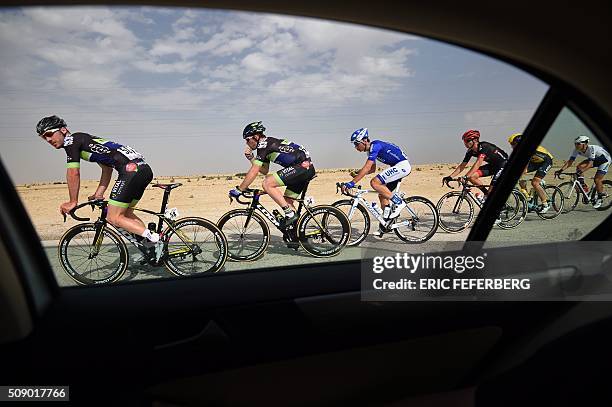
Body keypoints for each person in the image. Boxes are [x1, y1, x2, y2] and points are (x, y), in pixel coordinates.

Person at [36, 115, 161, 260]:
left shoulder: (71, 142)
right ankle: (152, 250)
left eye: (50, 134)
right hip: (143, 169)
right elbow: (107, 169)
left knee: (113, 217)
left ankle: (156, 239)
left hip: (130, 171)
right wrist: (98, 193)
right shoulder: (85, 140)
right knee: (125, 215)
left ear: (63, 130)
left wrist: (72, 201)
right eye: (44, 138)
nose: (49, 140)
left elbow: (73, 172)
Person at [230, 121, 315, 226]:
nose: (247, 143)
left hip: (301, 167)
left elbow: (254, 170)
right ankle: (297, 234)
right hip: (303, 169)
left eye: (248, 139)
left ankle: (290, 214)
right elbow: (264, 170)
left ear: (256, 136)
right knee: (287, 202)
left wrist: (239, 189)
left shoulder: (264, 145)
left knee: (267, 183)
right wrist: (251, 158)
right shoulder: (265, 146)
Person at [342, 127, 411, 237]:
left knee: (374, 183)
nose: (355, 147)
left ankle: (399, 202)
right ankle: (386, 224)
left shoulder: (375, 146)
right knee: (382, 195)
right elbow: (372, 169)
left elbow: (367, 167)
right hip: (397, 166)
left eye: (356, 144)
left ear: (364, 141)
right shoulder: (370, 150)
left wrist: (352, 183)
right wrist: (357, 173)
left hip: (402, 166)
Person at [443, 129, 509, 201]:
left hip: (504, 164)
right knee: (472, 177)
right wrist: (450, 177)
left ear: (475, 140)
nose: (465, 143)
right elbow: (462, 165)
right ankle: (487, 195)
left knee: (491, 188)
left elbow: (478, 163)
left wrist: (465, 177)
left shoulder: (484, 146)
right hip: (493, 165)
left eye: (467, 141)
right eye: (464, 141)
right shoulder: (470, 151)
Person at [555, 135, 610, 208]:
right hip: (595, 159)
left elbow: (590, 164)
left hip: (605, 160)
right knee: (579, 167)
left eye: (578, 144)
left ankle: (600, 198)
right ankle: (584, 187)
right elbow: (570, 162)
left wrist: (581, 172)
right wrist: (560, 170)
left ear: (585, 144)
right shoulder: (576, 150)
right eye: (575, 143)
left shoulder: (591, 148)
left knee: (597, 179)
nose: (576, 145)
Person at [508, 133, 553, 213]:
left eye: (513, 144)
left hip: (546, 161)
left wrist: (524, 170)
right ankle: (529, 198)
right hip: (536, 162)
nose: (511, 146)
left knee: (535, 183)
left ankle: (545, 204)